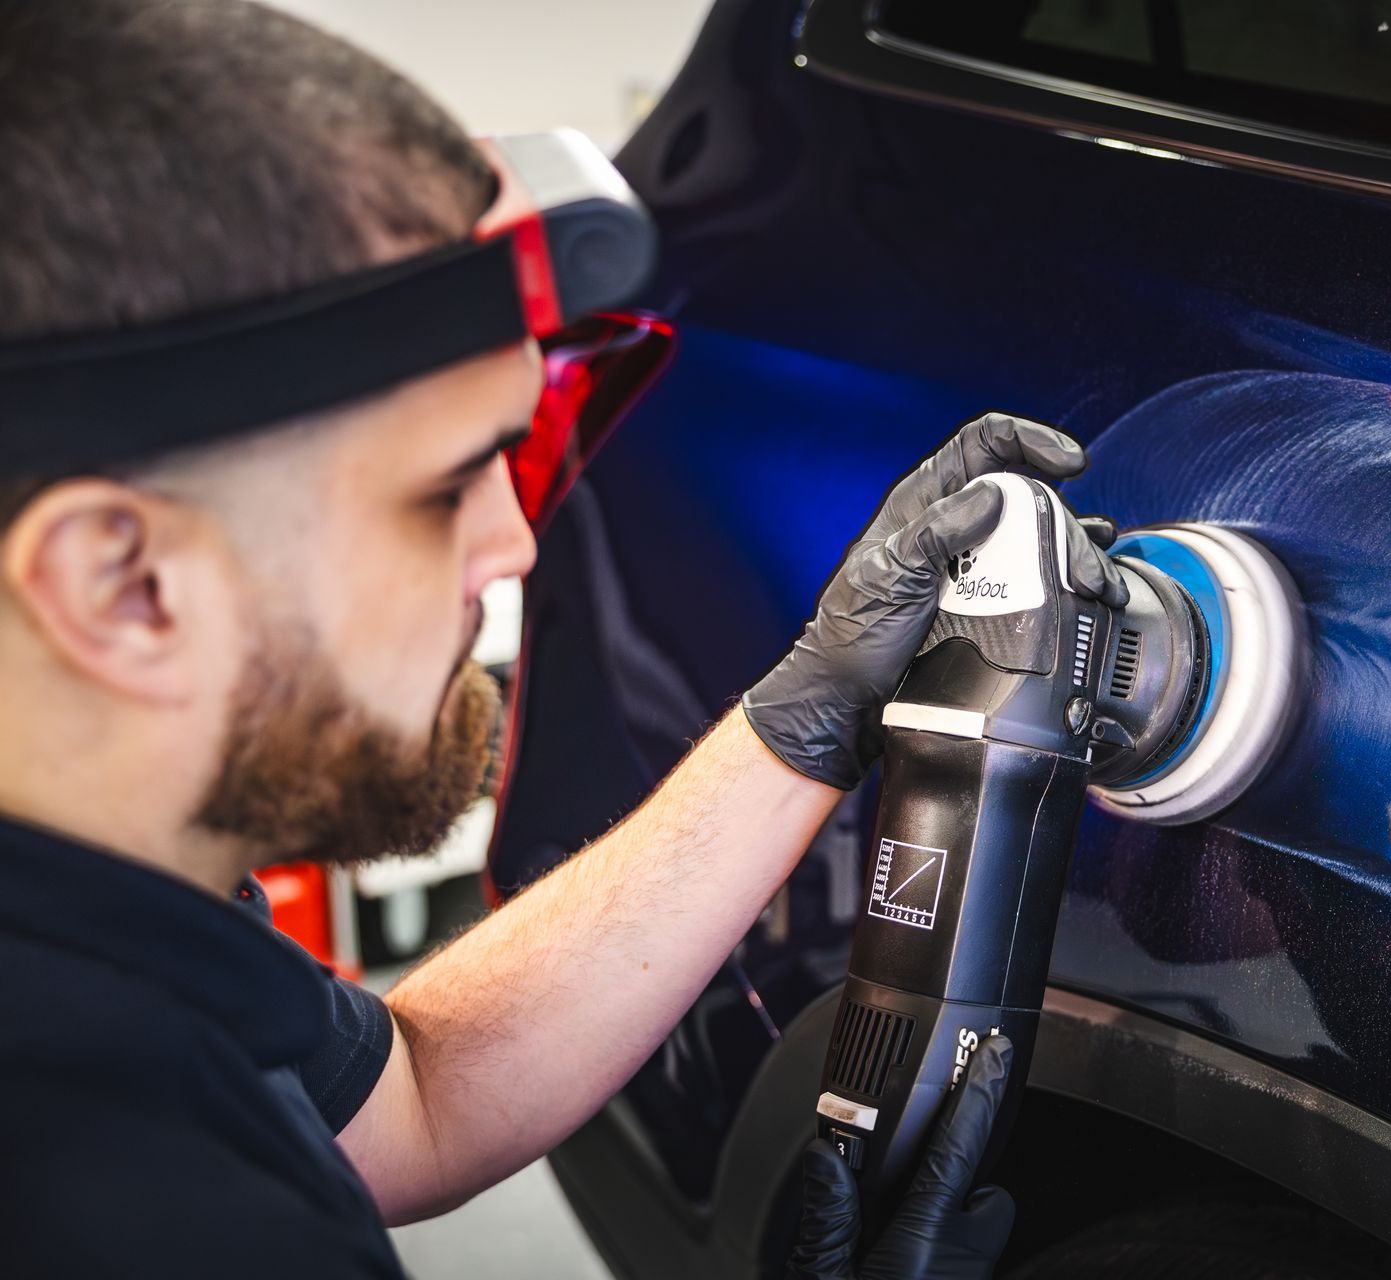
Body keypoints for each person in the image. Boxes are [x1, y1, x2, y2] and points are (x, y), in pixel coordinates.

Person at [0, 2, 1127, 1277]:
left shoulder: (113, 929)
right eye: (443, 484)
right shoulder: (126, 1198)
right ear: (122, 583)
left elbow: (411, 1103)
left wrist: (801, 717)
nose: (515, 542)